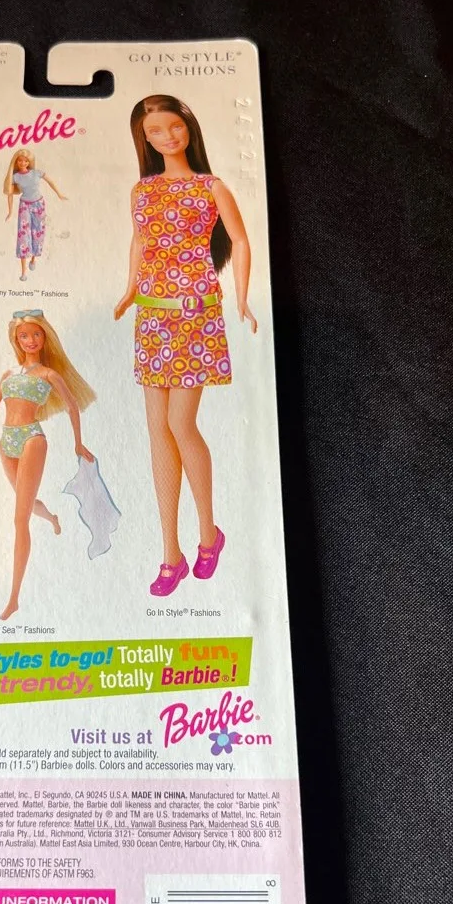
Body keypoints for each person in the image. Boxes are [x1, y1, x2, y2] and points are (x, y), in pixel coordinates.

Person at [114, 94, 257, 597]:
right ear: (144, 139)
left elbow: (240, 240)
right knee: (157, 432)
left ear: (188, 127)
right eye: (155, 132)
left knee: (180, 423)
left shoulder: (211, 187)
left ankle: (209, 535)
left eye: (173, 126)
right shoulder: (142, 190)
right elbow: (140, 241)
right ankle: (170, 554)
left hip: (194, 314)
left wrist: (242, 298)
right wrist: (130, 288)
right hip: (152, 314)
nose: (167, 137)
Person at [0, 310, 95, 620]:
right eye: (24, 336)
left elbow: (72, 407)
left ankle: (13, 598)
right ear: (16, 339)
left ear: (45, 337)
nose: (30, 340)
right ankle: (51, 517)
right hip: (6, 442)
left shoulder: (49, 375)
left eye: (36, 334)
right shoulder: (8, 375)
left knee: (19, 519)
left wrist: (78, 444)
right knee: (25, 504)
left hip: (31, 440)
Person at [3, 149, 67, 280]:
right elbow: (10, 195)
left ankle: (33, 258)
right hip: (24, 206)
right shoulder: (15, 177)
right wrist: (10, 211)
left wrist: (59, 194)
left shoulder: (36, 173)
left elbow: (50, 182)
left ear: (29, 162)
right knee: (23, 236)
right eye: (20, 160)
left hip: (39, 204)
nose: (23, 163)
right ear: (16, 162)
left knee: (37, 232)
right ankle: (23, 272)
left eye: (25, 161)